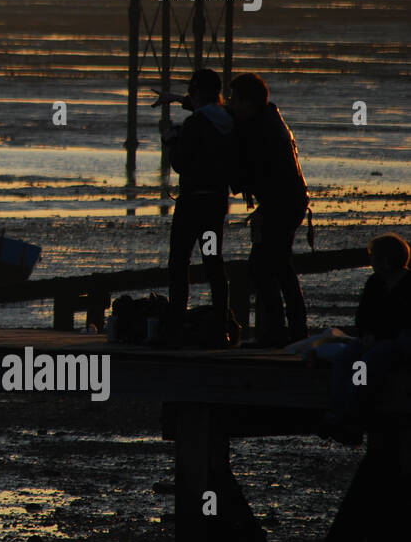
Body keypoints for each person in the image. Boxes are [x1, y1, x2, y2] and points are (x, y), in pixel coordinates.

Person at [228, 73, 310, 346]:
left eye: (234, 100)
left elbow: (254, 172)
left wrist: (263, 211)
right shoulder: (268, 120)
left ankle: (275, 333)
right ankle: (295, 331)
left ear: (246, 102)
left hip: (281, 204)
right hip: (290, 201)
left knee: (263, 267)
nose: (231, 105)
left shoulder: (260, 130)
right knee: (279, 266)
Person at [161, 68, 238, 341]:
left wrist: (171, 141)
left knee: (179, 262)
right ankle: (221, 325)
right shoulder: (228, 118)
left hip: (191, 206)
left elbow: (180, 163)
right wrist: (177, 99)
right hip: (215, 203)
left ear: (195, 92)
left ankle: (175, 326)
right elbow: (204, 108)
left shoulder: (195, 123)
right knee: (213, 262)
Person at [322, 234, 411, 442]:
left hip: (397, 343)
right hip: (374, 339)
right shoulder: (375, 283)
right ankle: (337, 411)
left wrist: (377, 337)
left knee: (362, 366)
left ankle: (350, 414)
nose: (371, 262)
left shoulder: (408, 285)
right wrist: (367, 334)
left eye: (374, 257)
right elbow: (363, 316)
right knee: (345, 359)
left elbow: (404, 322)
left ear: (386, 260)